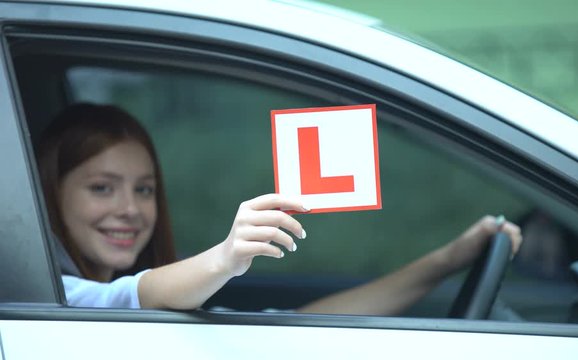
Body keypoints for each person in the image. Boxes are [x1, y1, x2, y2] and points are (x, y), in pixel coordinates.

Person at [37, 103, 522, 314]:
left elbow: (316, 322)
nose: (130, 209)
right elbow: (128, 298)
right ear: (48, 195)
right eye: (101, 188)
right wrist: (226, 256)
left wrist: (449, 259)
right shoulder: (53, 302)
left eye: (145, 190)